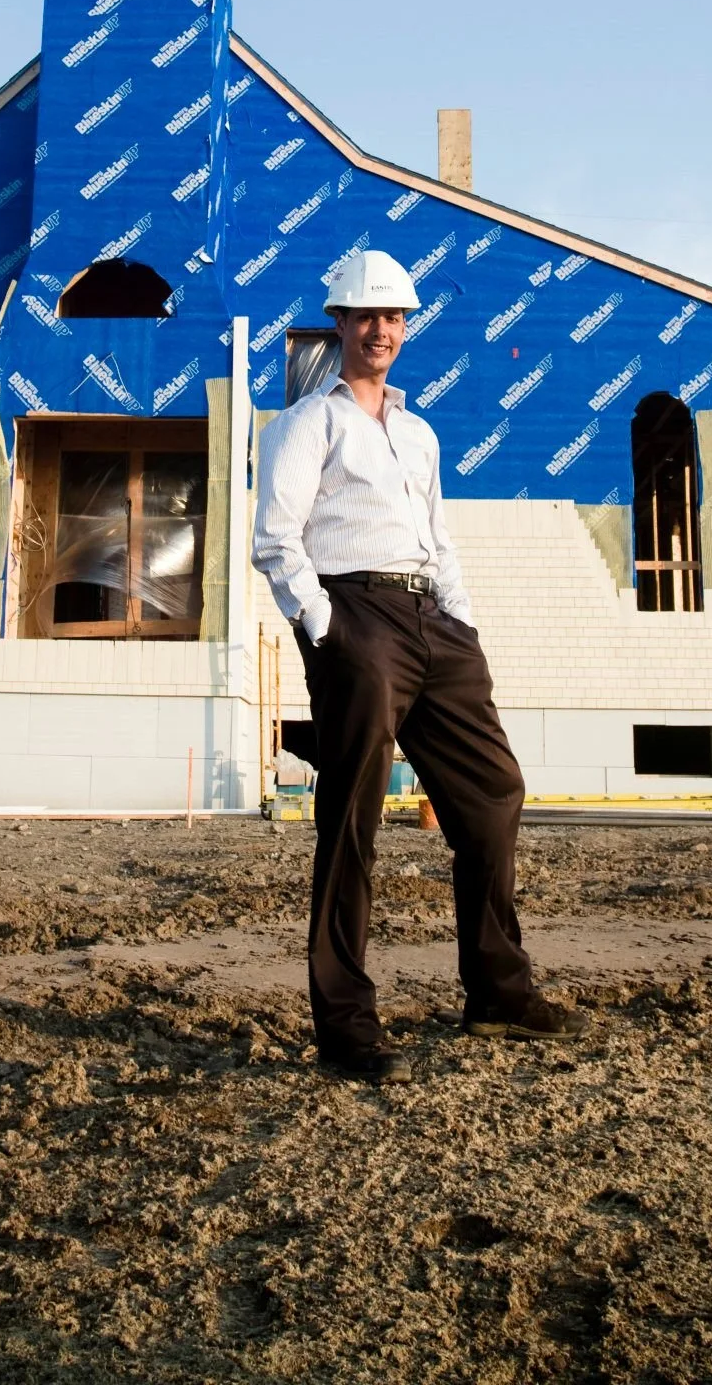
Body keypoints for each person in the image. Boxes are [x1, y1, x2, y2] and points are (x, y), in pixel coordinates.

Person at [252, 249, 589, 1084]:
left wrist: (462, 625)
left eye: (394, 316)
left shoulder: (420, 431)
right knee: (354, 821)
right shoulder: (305, 424)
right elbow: (274, 540)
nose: (380, 330)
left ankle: (498, 993)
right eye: (365, 316)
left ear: (406, 326)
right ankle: (346, 1029)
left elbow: (439, 539)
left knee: (494, 792)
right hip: (356, 616)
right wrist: (325, 626)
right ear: (338, 324)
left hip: (433, 622)